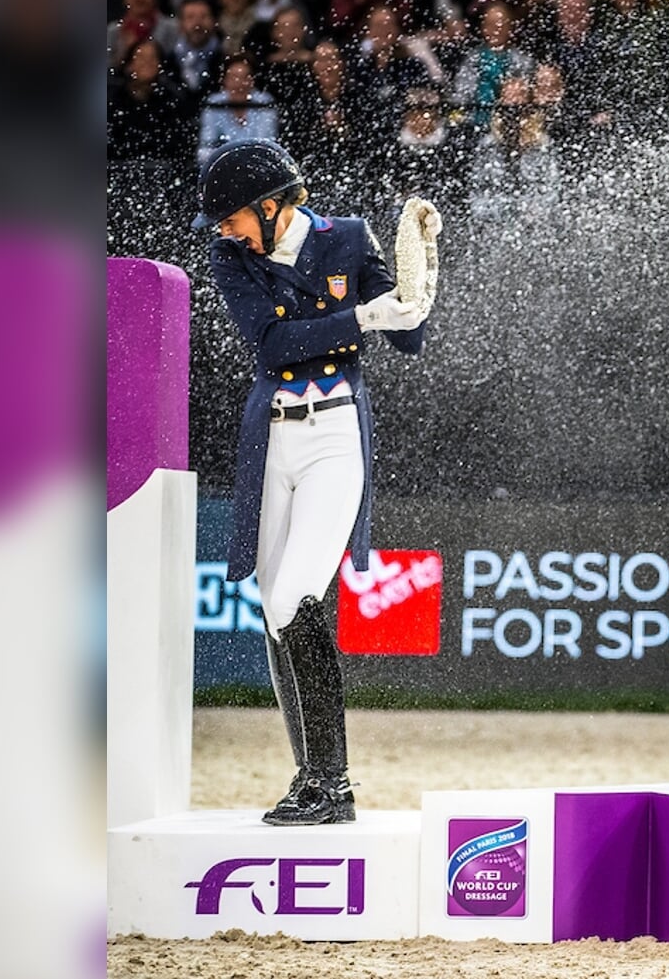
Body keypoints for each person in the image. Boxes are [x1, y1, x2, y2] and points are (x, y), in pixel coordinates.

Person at [199, 138, 435, 824]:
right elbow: (272, 345)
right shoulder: (230, 257)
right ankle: (310, 776)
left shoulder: (349, 238)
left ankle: (333, 785)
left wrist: (416, 284)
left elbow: (409, 336)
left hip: (334, 435)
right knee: (275, 603)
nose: (224, 231)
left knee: (299, 592)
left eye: (233, 217)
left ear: (270, 206)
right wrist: (362, 317)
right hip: (271, 437)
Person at [198, 54, 278, 165]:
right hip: (222, 167)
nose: (239, 84)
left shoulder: (264, 102)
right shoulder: (214, 104)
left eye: (245, 77)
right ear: (224, 81)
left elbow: (266, 146)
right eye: (233, 77)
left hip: (257, 166)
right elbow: (205, 148)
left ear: (252, 81)